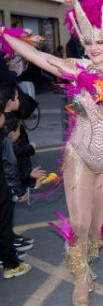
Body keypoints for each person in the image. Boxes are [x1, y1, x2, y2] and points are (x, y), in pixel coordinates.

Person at [1, 0, 103, 305]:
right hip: (79, 153)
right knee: (78, 224)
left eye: (99, 41)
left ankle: (87, 261)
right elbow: (40, 58)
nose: (92, 47)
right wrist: (5, 35)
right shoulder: (75, 66)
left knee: (98, 231)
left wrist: (100, 86)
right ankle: (80, 280)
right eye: (87, 41)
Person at [0, 99, 32, 279]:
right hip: (1, 192)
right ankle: (11, 265)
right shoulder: (3, 140)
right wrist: (20, 191)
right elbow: (10, 168)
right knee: (4, 227)